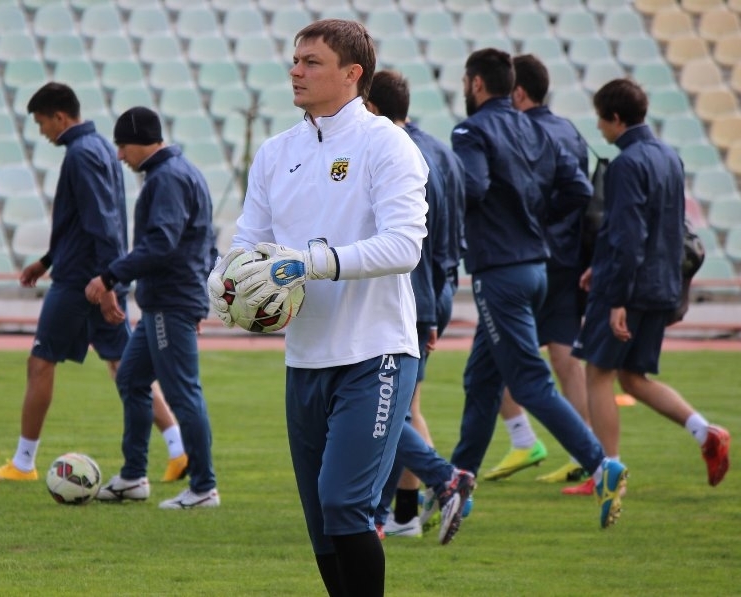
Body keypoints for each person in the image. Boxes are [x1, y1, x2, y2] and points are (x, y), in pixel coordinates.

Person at [208, 19, 471, 597]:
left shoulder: (387, 144)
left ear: (352, 74)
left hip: (375, 353)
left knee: (343, 504)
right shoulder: (276, 152)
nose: (295, 71)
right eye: (295, 59)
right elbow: (248, 241)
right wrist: (225, 283)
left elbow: (404, 246)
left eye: (312, 62)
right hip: (304, 358)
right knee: (322, 524)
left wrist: (311, 263)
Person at [449, 48, 627, 529]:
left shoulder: (471, 131)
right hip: (536, 268)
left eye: (466, 82)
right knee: (481, 381)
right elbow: (578, 189)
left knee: (529, 381)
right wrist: (534, 218)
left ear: (477, 84)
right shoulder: (539, 128)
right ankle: (457, 484)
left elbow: (472, 187)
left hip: (500, 271)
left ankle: (601, 464)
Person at [0, 83, 187, 485]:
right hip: (92, 273)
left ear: (59, 117)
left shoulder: (80, 154)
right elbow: (83, 220)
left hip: (81, 281)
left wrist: (106, 283)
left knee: (41, 362)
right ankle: (179, 449)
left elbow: (102, 222)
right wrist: (46, 261)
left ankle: (23, 462)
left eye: (41, 123)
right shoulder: (101, 148)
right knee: (125, 367)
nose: (42, 132)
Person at [568, 79, 730, 494]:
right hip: (661, 284)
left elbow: (629, 234)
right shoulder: (669, 157)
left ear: (616, 118)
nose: (599, 127)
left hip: (628, 287)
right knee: (632, 377)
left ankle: (608, 473)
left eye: (602, 120)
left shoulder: (626, 165)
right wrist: (599, 266)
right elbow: (663, 227)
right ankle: (705, 431)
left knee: (597, 375)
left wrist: (616, 297)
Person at [85, 106, 220, 509]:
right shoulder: (183, 171)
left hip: (169, 302)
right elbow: (206, 243)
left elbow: (161, 243)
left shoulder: (166, 178)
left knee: (183, 393)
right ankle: (133, 477)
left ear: (140, 141)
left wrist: (109, 277)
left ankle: (203, 487)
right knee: (130, 379)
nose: (120, 156)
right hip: (170, 300)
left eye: (123, 146)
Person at [365, 69, 472, 542]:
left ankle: (442, 482)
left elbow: (413, 247)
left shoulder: (397, 154)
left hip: (412, 295)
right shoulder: (441, 151)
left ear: (370, 106)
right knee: (403, 405)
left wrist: (424, 309)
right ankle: (401, 514)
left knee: (385, 408)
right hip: (434, 290)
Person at [482, 54, 593, 486]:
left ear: (518, 92)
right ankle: (583, 451)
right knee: (565, 357)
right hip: (567, 259)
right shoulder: (570, 130)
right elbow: (580, 190)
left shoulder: (523, 131)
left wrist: (534, 223)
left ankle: (524, 438)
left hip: (525, 257)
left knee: (497, 355)